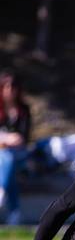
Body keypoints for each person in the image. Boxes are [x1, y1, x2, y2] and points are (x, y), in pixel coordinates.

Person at [0, 71, 32, 224]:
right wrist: (8, 139)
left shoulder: (23, 110)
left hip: (19, 155)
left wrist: (5, 140)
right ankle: (14, 212)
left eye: (13, 87)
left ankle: (2, 194)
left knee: (9, 158)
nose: (10, 90)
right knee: (8, 161)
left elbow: (22, 138)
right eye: (6, 86)